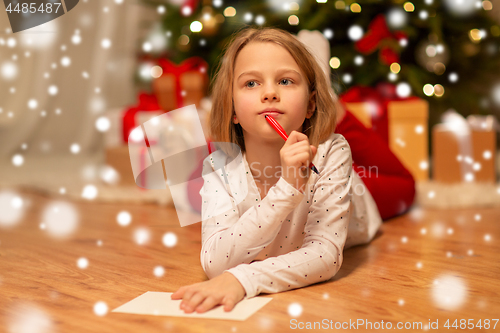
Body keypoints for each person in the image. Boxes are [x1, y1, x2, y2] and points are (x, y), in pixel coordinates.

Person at [172, 26, 403, 314]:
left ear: (310, 106)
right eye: (251, 84)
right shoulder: (218, 167)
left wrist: (242, 280)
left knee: (406, 186)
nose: (269, 93)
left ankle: (328, 97)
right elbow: (215, 263)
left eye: (284, 80)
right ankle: (309, 78)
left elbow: (326, 254)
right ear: (232, 109)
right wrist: (287, 189)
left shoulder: (333, 152)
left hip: (359, 200)